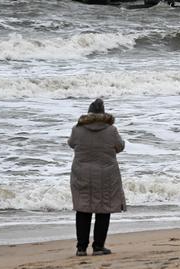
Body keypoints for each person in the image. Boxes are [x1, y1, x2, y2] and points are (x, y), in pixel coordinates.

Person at [68, 98, 126, 256]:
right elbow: (120, 146)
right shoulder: (111, 130)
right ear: (103, 112)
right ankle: (98, 247)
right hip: (106, 174)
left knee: (83, 209)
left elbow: (71, 143)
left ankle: (81, 248)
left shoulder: (77, 129)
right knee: (103, 209)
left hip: (82, 173)